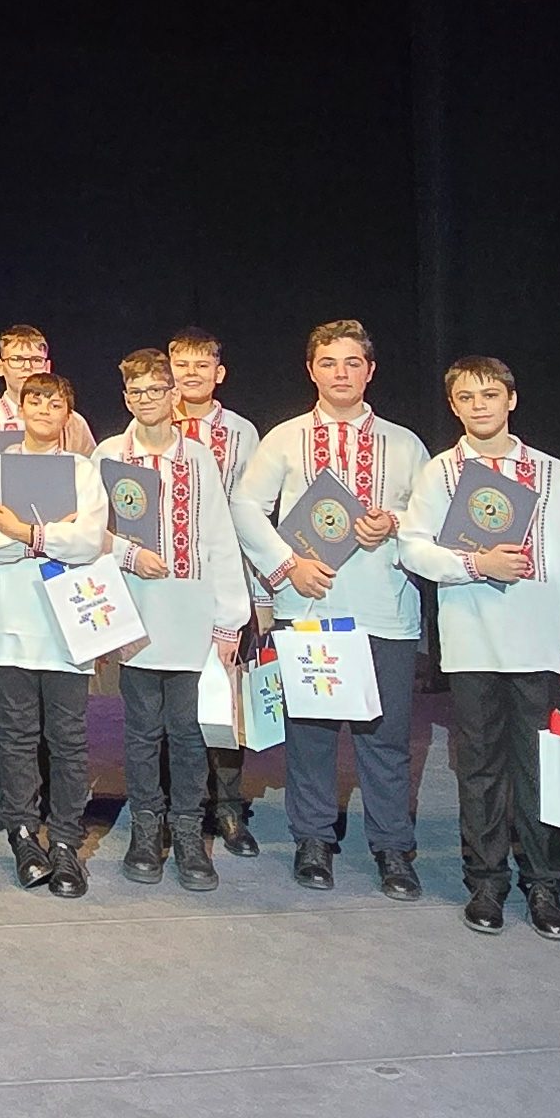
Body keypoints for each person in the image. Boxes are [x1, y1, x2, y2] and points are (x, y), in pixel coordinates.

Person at [394, 356, 560, 940]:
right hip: (472, 643)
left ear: (511, 399)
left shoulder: (550, 471)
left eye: (489, 395)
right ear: (453, 406)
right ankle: (485, 879)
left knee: (540, 768)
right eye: (466, 397)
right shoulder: (441, 472)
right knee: (479, 767)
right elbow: (413, 548)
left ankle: (543, 881)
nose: (479, 406)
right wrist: (475, 563)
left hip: (539, 642)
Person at [236, 319, 432, 898]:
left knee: (385, 736)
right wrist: (285, 566)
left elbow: (434, 517)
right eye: (328, 363)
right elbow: (245, 505)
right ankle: (313, 840)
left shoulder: (404, 443)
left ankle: (392, 846)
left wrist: (394, 522)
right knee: (311, 734)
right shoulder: (286, 437)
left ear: (370, 370)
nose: (340, 374)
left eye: (352, 363)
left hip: (385, 608)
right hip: (309, 605)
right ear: (311, 371)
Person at [98, 350, 253, 892]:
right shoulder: (108, 455)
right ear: (126, 399)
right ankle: (146, 827)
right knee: (142, 730)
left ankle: (188, 829)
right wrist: (127, 555)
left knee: (188, 732)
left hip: (191, 613)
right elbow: (89, 531)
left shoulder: (199, 459)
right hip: (135, 613)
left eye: (155, 390)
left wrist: (230, 620)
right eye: (136, 392)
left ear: (173, 396)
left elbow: (219, 538)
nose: (146, 400)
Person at [0, 373, 120, 896]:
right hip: (11, 624)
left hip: (67, 628)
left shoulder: (82, 471)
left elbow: (90, 542)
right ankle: (24, 835)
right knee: (16, 737)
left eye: (55, 403)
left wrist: (24, 533)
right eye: (35, 401)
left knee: (68, 739)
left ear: (67, 414)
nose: (44, 410)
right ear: (21, 409)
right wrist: (51, 536)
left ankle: (66, 842)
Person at [169, 328, 266, 861]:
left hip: (226, 577)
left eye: (201, 365)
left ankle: (228, 806)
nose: (191, 374)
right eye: (181, 365)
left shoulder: (242, 432)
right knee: (172, 693)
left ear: (219, 373)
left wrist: (257, 595)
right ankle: (172, 805)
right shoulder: (155, 425)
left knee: (225, 697)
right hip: (170, 583)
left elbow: (253, 511)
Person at [0, 325, 96, 467]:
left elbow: (89, 471)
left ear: (47, 367)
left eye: (36, 360)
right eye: (17, 359)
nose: (27, 367)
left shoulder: (73, 422)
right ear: (0, 367)